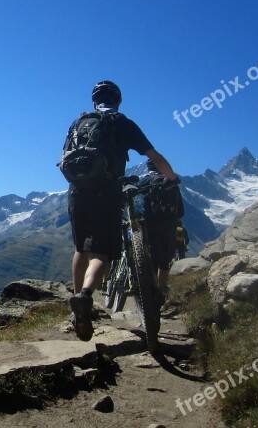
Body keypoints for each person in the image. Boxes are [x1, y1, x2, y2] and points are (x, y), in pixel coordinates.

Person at [61, 80, 178, 341]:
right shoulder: (122, 123)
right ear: (118, 101)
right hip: (107, 192)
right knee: (101, 253)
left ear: (94, 101)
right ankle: (86, 296)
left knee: (81, 249)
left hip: (77, 192)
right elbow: (154, 157)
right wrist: (170, 178)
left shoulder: (79, 124)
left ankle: (76, 305)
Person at [139, 160, 184, 304]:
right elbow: (181, 211)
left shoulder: (147, 179)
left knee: (152, 258)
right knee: (165, 260)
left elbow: (134, 192)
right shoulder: (171, 182)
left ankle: (151, 290)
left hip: (151, 224)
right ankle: (162, 289)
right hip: (170, 225)